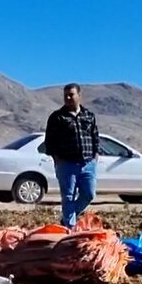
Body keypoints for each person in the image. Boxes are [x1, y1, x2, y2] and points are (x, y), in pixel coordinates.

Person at [43, 83, 100, 229]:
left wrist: (95, 156)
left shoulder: (89, 115)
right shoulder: (57, 117)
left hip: (88, 163)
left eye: (71, 95)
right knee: (68, 197)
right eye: (65, 95)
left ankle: (68, 217)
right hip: (66, 164)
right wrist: (57, 159)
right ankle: (70, 229)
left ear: (79, 96)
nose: (68, 98)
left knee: (89, 194)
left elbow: (95, 136)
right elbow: (49, 141)